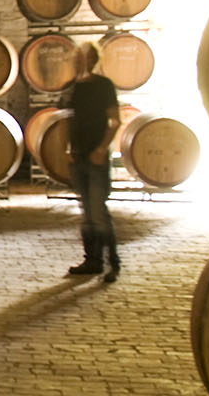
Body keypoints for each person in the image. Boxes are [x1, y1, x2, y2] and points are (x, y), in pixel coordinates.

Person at [60, 41, 121, 282]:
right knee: (86, 213)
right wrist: (66, 148)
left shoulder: (104, 85)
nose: (83, 61)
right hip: (78, 156)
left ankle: (113, 263)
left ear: (95, 60)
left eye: (87, 57)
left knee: (98, 212)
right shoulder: (71, 88)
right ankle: (92, 261)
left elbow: (115, 121)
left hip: (96, 157)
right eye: (79, 57)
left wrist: (102, 149)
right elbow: (66, 119)